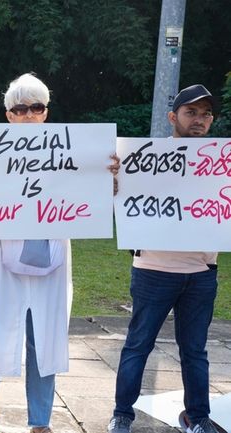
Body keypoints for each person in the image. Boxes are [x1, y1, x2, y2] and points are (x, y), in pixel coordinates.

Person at [0, 73, 119, 433]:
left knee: (44, 339)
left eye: (36, 107)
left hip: (53, 256)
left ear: (46, 112)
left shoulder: (71, 150)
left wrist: (106, 176)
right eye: (20, 108)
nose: (28, 115)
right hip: (0, 257)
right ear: (8, 115)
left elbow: (92, 205)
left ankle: (40, 420)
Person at [107, 84, 223, 433]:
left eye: (205, 114)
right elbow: (116, 197)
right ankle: (122, 415)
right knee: (138, 345)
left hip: (201, 273)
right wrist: (113, 181)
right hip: (153, 270)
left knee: (196, 352)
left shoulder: (221, 162)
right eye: (191, 113)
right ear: (173, 117)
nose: (199, 120)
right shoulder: (143, 158)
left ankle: (198, 417)